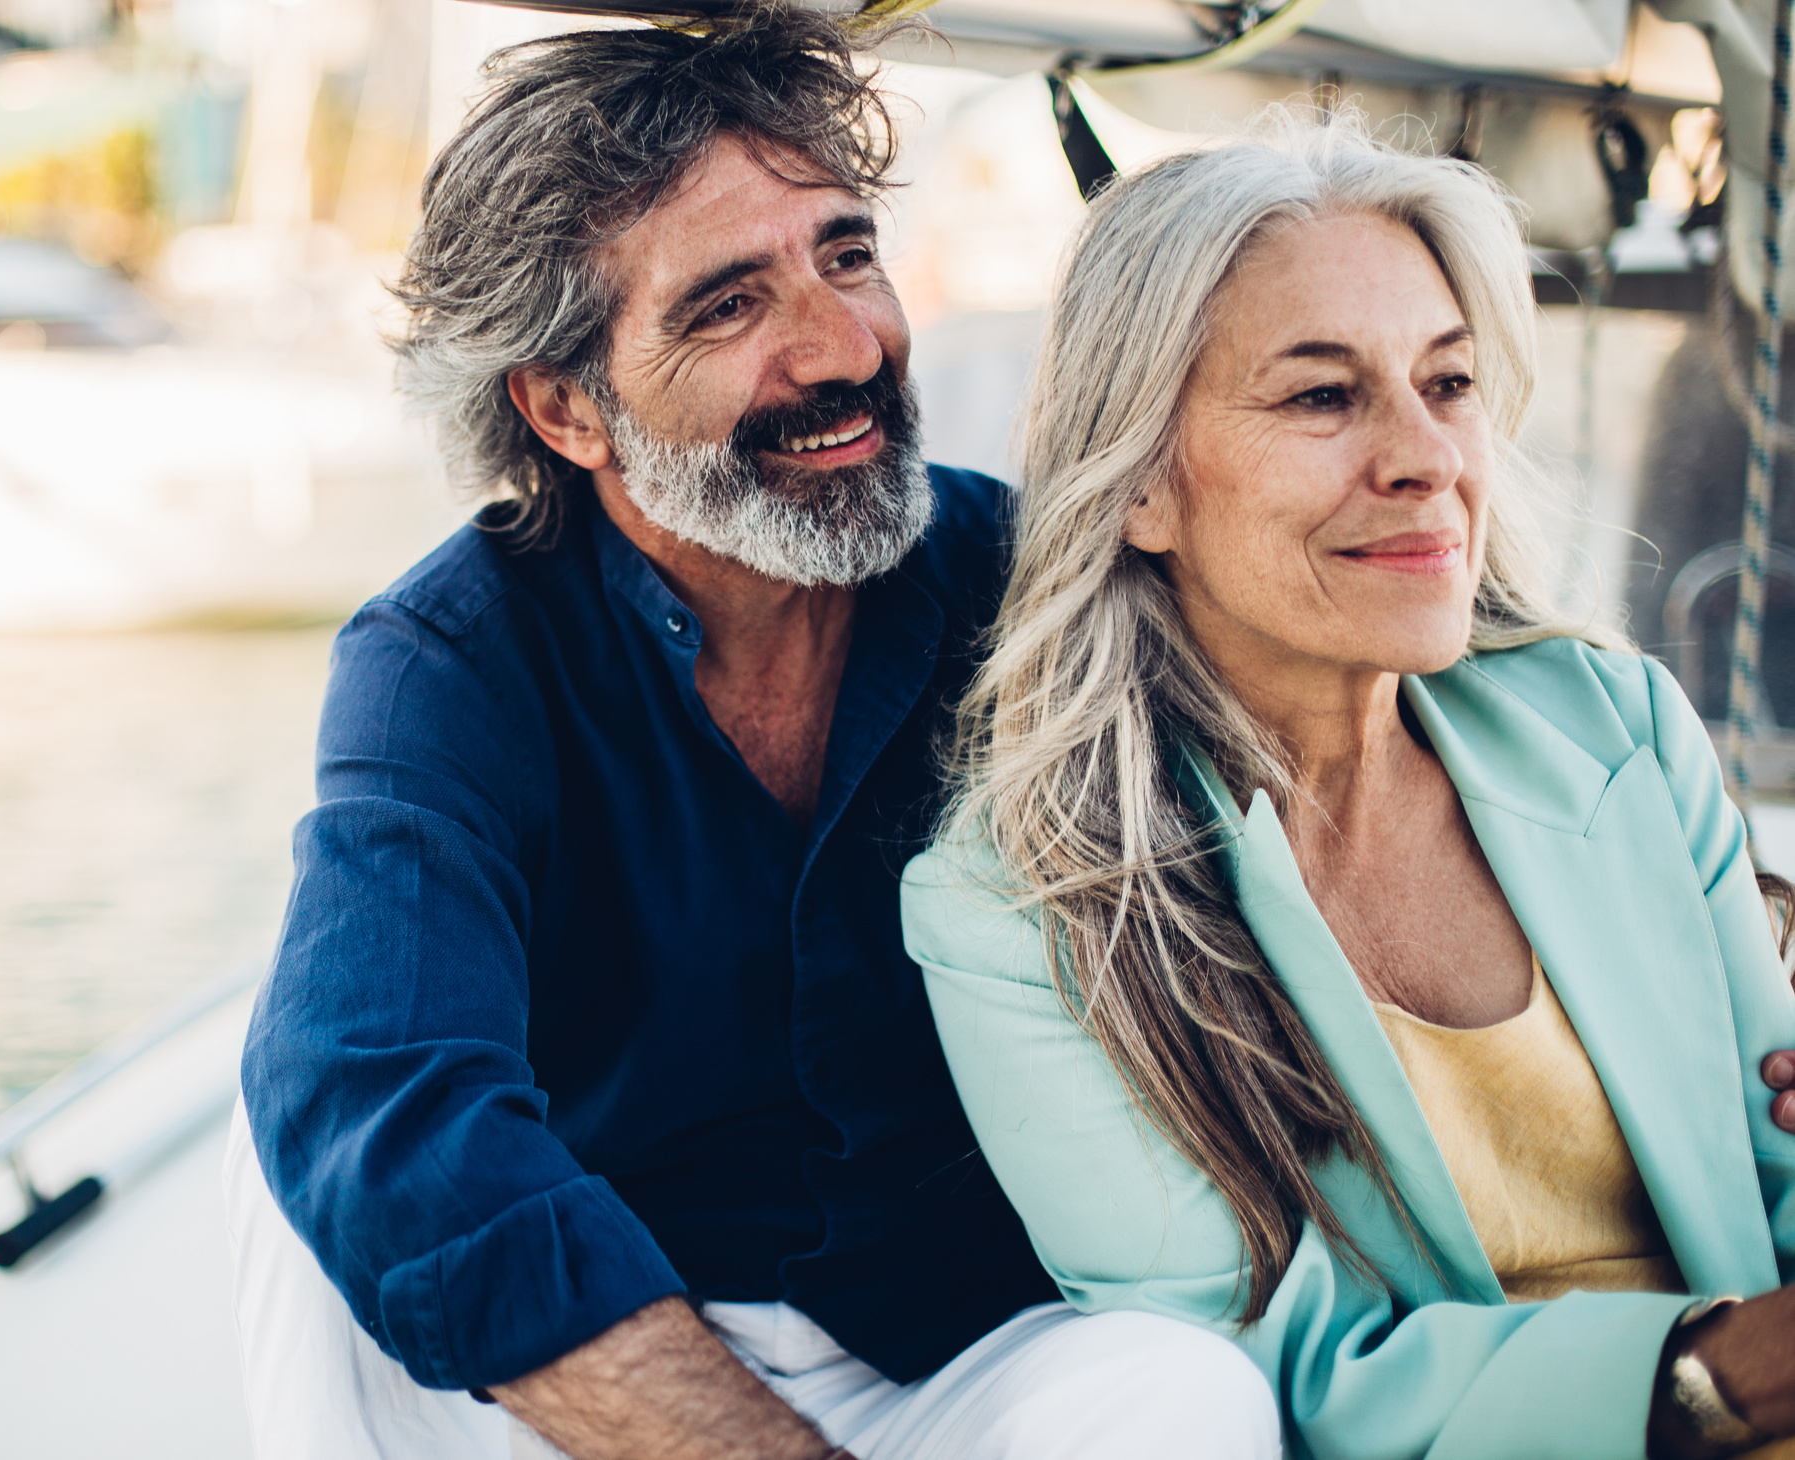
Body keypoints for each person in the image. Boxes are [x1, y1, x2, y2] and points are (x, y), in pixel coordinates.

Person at [225, 9, 1282, 1460]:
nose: (842, 345)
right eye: (725, 305)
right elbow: (381, 1100)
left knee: (1192, 1400)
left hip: (960, 1345)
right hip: (603, 1357)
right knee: (315, 1108)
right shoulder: (452, 661)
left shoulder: (1028, 583)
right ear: (563, 407)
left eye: (846, 254)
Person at [904, 112, 1795, 1459]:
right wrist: (1709, 1379)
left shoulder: (1616, 727)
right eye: (1322, 396)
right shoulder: (1019, 903)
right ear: (1140, 484)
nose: (1424, 458)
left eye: (1446, 384)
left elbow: (1776, 1173)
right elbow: (1274, 1366)